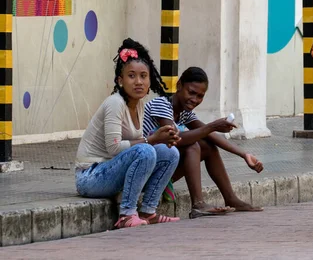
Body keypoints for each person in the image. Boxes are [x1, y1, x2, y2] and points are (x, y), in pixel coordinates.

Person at [75, 38, 181, 228]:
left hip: (112, 171)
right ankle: (127, 214)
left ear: (150, 80)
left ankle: (148, 211)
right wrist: (152, 139)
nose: (138, 82)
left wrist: (166, 138)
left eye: (143, 76)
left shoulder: (139, 104)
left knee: (171, 153)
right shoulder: (115, 103)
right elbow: (115, 148)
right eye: (131, 76)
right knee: (146, 150)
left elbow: (138, 145)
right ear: (120, 80)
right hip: (90, 177)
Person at [143, 66, 265, 219]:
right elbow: (176, 138)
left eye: (200, 96)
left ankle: (230, 198)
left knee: (207, 146)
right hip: (144, 173)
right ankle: (198, 204)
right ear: (179, 85)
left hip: (161, 171)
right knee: (193, 145)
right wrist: (212, 126)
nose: (195, 99)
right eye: (191, 92)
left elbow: (211, 135)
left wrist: (244, 154)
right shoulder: (161, 104)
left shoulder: (184, 113)